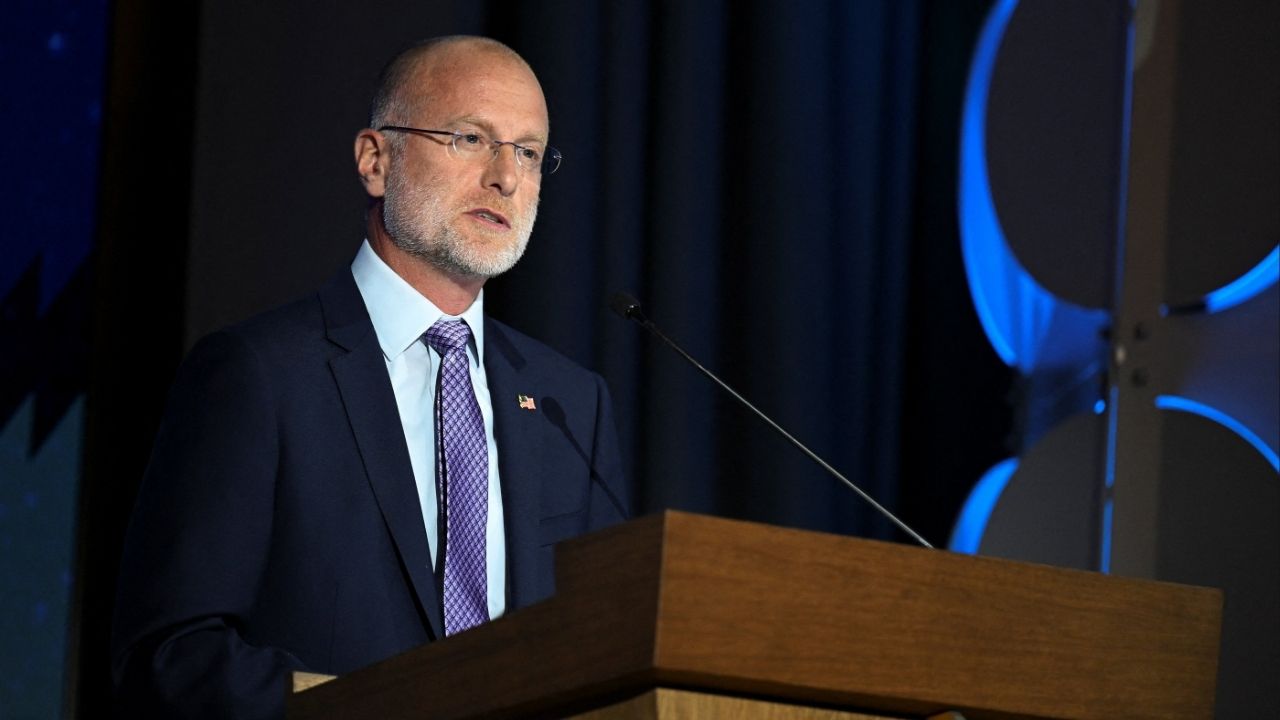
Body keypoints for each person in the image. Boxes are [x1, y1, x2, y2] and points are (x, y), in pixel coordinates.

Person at [111, 35, 630, 719]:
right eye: (471, 138)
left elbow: (603, 656)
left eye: (529, 152)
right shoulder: (259, 375)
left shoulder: (572, 403)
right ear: (376, 160)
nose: (506, 176)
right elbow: (174, 655)